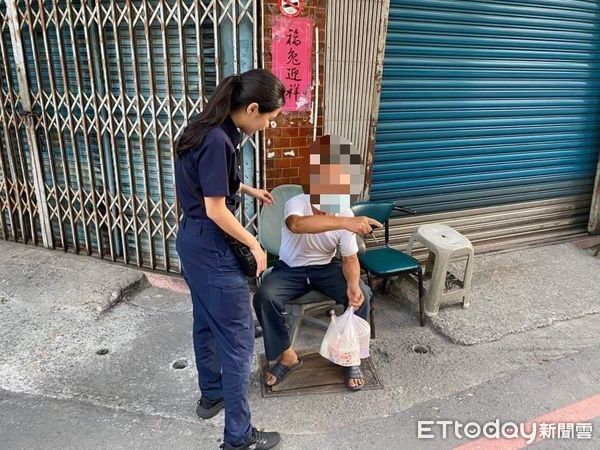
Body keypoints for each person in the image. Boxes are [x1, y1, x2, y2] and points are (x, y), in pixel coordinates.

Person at [175, 69, 284, 450]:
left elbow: (210, 179)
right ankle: (238, 438)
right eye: (268, 118)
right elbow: (217, 209)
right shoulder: (221, 140)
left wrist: (248, 188)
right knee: (238, 343)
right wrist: (254, 243)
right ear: (252, 108)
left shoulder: (203, 127)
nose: (268, 125)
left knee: (205, 322)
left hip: (190, 241)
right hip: (213, 245)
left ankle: (212, 395)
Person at [253, 135, 382, 391]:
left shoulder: (343, 211)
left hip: (325, 269)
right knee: (264, 296)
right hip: (291, 270)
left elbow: (349, 258)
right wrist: (347, 222)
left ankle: (349, 357)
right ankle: (286, 355)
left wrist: (353, 284)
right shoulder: (296, 203)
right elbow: (297, 225)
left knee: (363, 295)